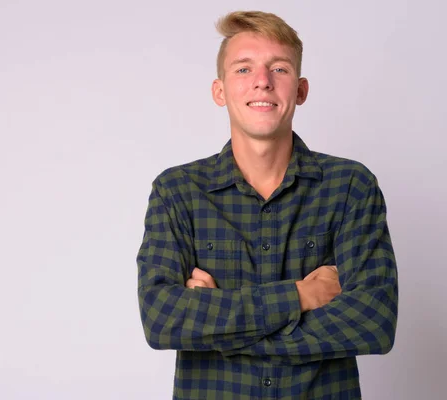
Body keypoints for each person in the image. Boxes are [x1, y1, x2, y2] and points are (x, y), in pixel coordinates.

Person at [136, 10, 398, 400]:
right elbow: (162, 320)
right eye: (243, 69)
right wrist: (301, 296)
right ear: (220, 90)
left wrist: (220, 331)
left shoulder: (350, 187)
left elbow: (373, 322)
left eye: (279, 69)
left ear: (301, 89)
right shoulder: (178, 191)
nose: (262, 82)